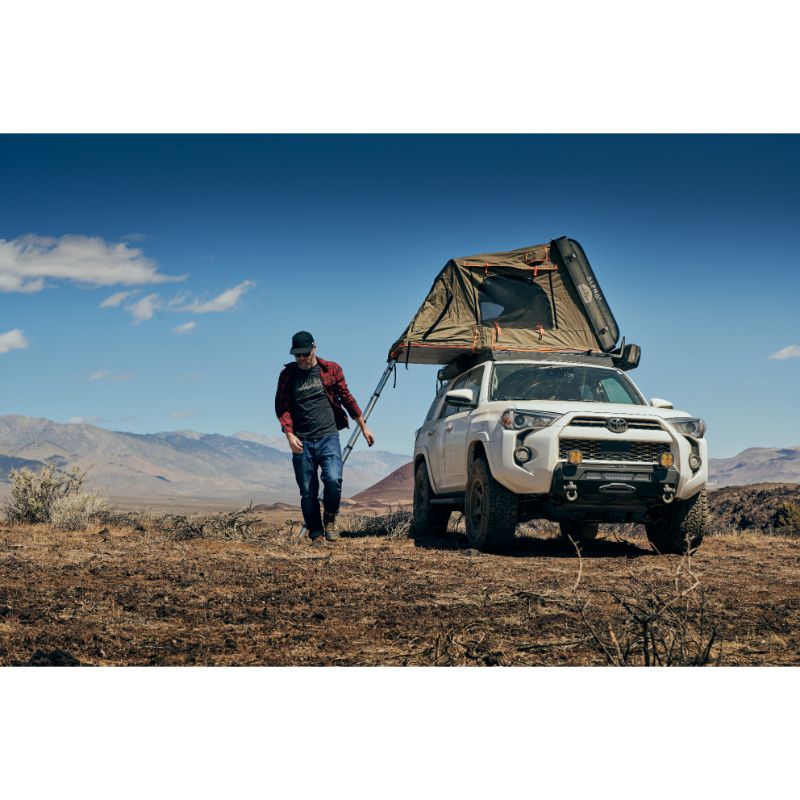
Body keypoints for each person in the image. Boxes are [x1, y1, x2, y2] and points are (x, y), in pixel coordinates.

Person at [275, 331, 375, 543]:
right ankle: (316, 533)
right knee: (308, 491)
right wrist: (289, 435)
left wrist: (364, 427)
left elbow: (347, 398)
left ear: (314, 348)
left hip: (328, 436)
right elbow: (282, 407)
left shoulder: (331, 369)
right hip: (301, 439)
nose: (301, 358)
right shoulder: (288, 376)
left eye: (304, 354)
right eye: (297, 355)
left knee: (333, 479)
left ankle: (330, 518)